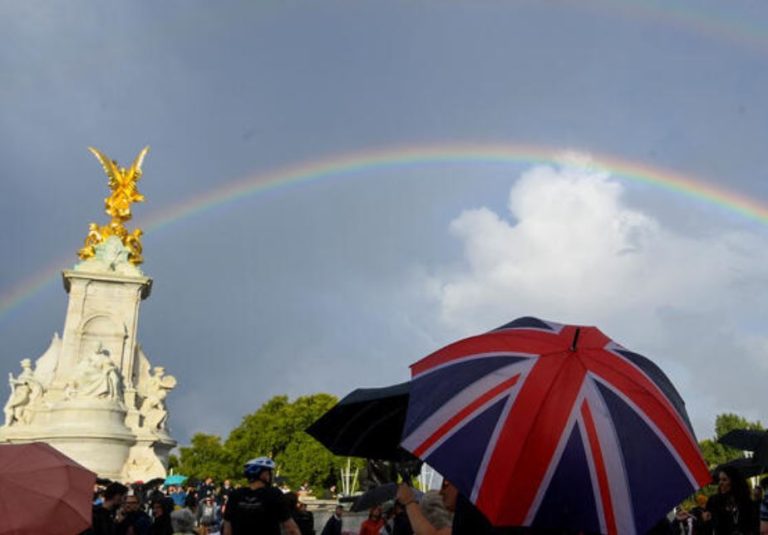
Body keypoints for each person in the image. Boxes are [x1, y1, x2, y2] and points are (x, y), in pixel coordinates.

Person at [222, 456, 301, 535]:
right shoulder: (274, 494)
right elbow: (291, 529)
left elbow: (227, 528)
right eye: (269, 472)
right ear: (264, 474)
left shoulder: (235, 495)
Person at [704, 466, 757, 535]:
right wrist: (704, 519)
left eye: (724, 480)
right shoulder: (713, 501)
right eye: (719, 480)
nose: (720, 483)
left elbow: (753, 526)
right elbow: (707, 526)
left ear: (734, 481)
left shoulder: (747, 503)